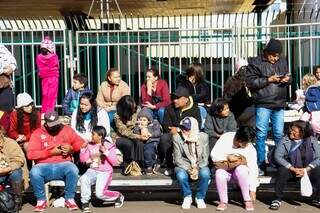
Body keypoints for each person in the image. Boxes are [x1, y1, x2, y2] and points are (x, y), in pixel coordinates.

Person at [246, 38, 291, 175]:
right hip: (263, 103)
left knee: (279, 134)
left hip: (279, 103)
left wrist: (287, 80)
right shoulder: (255, 62)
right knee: (261, 135)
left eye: (278, 56)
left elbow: (290, 78)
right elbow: (250, 82)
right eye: (273, 56)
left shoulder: (282, 61)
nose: (276, 58)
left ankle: (279, 163)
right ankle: (261, 165)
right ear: (267, 53)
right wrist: (268, 80)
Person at [27, 111, 84, 212]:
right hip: (43, 165)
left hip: (64, 163)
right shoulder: (37, 133)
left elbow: (80, 143)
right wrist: (51, 152)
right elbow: (31, 154)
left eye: (56, 124)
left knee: (73, 169)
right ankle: (41, 200)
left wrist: (71, 148)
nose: (55, 127)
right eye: (52, 125)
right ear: (46, 122)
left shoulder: (67, 129)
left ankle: (69, 198)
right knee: (34, 172)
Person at [269, 120, 320, 210]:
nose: (291, 132)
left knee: (318, 170)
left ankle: (318, 198)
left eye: (294, 131)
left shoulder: (312, 140)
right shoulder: (285, 139)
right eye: (291, 130)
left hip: (308, 169)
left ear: (302, 133)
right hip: (291, 169)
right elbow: (278, 156)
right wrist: (292, 168)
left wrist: (306, 169)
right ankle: (277, 199)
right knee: (282, 171)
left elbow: (319, 158)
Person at [211, 127, 258, 211]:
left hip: (240, 174)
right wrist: (228, 157)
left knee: (242, 169)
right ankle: (223, 201)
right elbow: (214, 154)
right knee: (219, 173)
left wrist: (253, 189)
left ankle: (247, 200)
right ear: (239, 140)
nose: (247, 144)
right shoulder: (226, 137)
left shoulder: (250, 148)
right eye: (246, 143)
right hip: (225, 169)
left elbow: (253, 168)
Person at [80, 126, 124, 213]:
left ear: (100, 136)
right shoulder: (89, 145)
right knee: (84, 178)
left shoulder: (108, 145)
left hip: (105, 172)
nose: (91, 136)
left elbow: (114, 162)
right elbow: (83, 160)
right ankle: (85, 203)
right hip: (92, 170)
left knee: (100, 194)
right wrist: (83, 149)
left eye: (93, 134)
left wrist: (106, 152)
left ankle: (118, 196)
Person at [159, 87, 201, 175]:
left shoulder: (194, 108)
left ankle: (196, 166)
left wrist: (178, 129)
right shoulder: (169, 108)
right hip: (173, 135)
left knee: (202, 137)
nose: (175, 100)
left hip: (189, 135)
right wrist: (181, 131)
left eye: (178, 98)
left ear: (186, 99)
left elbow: (197, 126)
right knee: (164, 138)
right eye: (174, 98)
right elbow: (167, 127)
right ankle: (170, 166)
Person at [173, 117, 210, 209]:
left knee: (205, 174)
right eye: (183, 128)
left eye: (187, 128)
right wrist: (189, 169)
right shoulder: (177, 137)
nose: (184, 131)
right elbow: (178, 159)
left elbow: (205, 158)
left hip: (199, 164)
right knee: (181, 176)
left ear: (194, 128)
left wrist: (197, 168)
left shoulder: (203, 137)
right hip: (184, 164)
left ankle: (200, 197)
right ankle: (187, 196)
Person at [8, 93, 41, 170]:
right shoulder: (14, 115)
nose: (30, 107)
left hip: (32, 140)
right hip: (18, 140)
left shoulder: (37, 114)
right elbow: (11, 130)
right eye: (27, 105)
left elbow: (37, 131)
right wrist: (17, 136)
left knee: (27, 146)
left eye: (31, 104)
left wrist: (26, 137)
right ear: (21, 107)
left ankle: (33, 169)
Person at [0, 125, 29, 212]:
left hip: (9, 172)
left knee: (16, 172)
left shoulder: (10, 143)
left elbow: (19, 161)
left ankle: (17, 201)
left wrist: (5, 169)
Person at [114, 95, 146, 172]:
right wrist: (138, 136)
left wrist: (143, 130)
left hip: (135, 133)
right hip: (121, 137)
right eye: (132, 108)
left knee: (139, 143)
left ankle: (139, 164)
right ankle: (127, 164)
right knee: (128, 143)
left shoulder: (138, 110)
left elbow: (143, 120)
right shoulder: (117, 116)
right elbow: (124, 132)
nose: (135, 109)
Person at [223, 58, 255, 127]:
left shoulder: (230, 80)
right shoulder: (248, 80)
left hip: (236, 112)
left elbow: (225, 97)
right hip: (240, 111)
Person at [133, 107, 161, 174]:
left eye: (144, 120)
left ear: (149, 120)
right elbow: (135, 132)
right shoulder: (138, 126)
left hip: (153, 141)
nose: (142, 121)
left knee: (148, 151)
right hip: (144, 141)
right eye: (141, 119)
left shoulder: (154, 123)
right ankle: (154, 164)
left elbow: (158, 132)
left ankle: (149, 166)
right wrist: (140, 128)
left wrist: (151, 134)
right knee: (147, 152)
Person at [36, 36, 60, 115]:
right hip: (53, 77)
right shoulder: (54, 56)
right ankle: (50, 113)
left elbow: (39, 67)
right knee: (52, 96)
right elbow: (57, 65)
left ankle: (43, 112)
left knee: (45, 95)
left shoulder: (39, 57)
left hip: (44, 78)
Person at [0, 43, 17, 112]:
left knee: (7, 113)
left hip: (4, 85)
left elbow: (13, 62)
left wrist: (11, 67)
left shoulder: (1, 46)